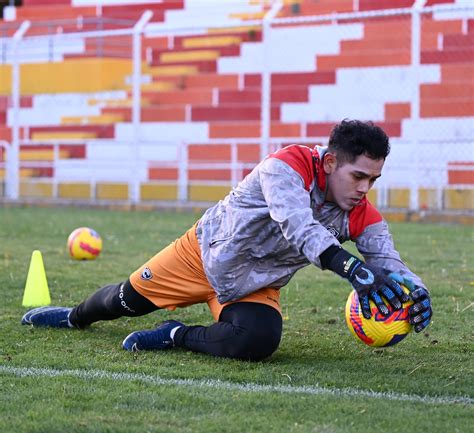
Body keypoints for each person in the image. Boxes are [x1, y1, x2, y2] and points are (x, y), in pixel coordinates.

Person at [21, 119, 433, 361]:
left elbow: (387, 258)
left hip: (253, 283)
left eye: (372, 179)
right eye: (358, 176)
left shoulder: (362, 212)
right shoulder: (286, 167)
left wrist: (415, 290)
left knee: (259, 341)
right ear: (329, 162)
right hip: (201, 254)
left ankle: (174, 334)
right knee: (122, 302)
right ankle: (75, 317)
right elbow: (298, 227)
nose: (364, 188)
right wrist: (352, 269)